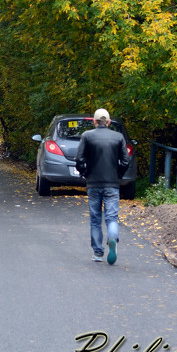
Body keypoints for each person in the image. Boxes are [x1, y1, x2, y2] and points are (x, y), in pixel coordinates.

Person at [75, 108, 130, 265]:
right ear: (109, 122)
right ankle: (112, 237)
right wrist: (117, 175)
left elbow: (79, 159)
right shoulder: (118, 137)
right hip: (112, 184)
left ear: (94, 121)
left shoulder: (87, 136)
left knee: (95, 218)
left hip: (93, 183)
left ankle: (98, 253)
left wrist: (85, 172)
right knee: (111, 217)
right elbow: (126, 161)